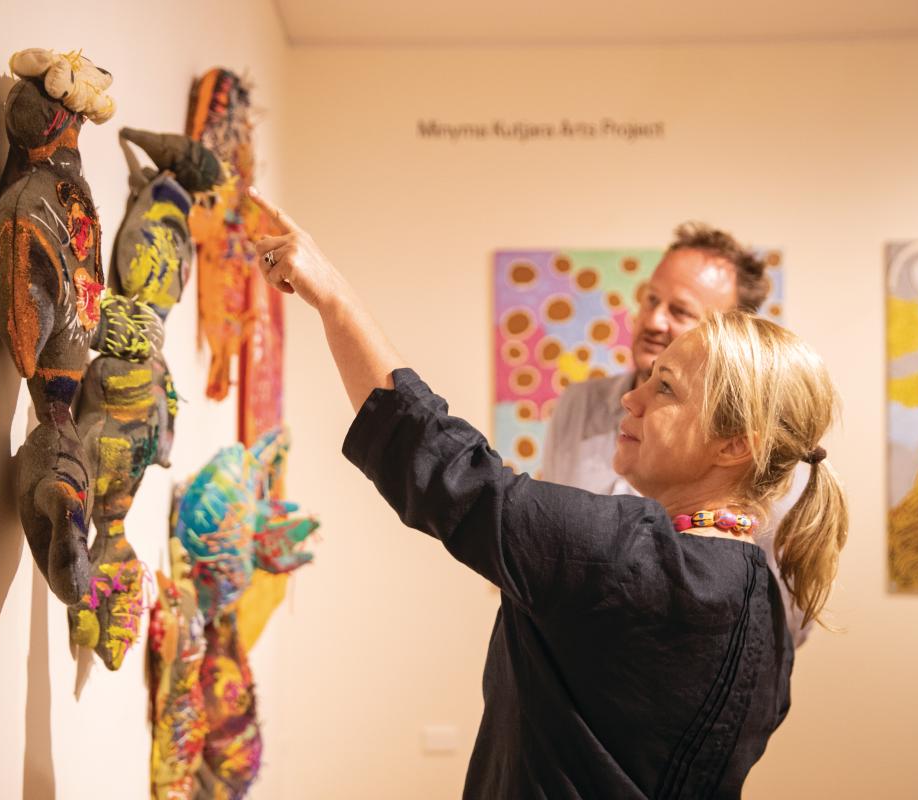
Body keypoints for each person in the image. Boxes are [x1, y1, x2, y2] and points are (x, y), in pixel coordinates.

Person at [249, 188, 848, 799]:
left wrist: (334, 298)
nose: (630, 398)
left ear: (733, 446)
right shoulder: (762, 611)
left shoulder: (627, 561)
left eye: (664, 388)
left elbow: (443, 464)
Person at [541, 225, 813, 646]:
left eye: (680, 311)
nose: (653, 320)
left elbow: (785, 620)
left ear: (731, 334)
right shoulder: (577, 406)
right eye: (651, 299)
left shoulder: (759, 446)